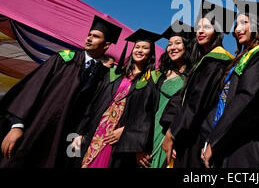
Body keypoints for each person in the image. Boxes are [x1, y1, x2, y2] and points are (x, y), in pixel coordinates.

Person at [0, 15, 122, 168]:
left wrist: (81, 139)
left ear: (106, 45)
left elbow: (94, 110)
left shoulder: (105, 75)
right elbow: (32, 89)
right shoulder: (63, 59)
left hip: (73, 136)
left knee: (68, 163)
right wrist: (17, 126)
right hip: (40, 127)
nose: (89, 38)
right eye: (89, 35)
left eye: (96, 36)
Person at [202, 0, 259, 168]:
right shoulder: (241, 61)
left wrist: (215, 140)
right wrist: (210, 138)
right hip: (233, 144)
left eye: (244, 23)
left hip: (255, 148)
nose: (237, 30)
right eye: (236, 25)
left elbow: (247, 98)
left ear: (258, 27)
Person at [161, 0, 235, 168]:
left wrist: (173, 132)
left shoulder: (217, 61)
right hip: (188, 132)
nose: (200, 31)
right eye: (199, 27)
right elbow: (183, 97)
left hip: (198, 135)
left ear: (217, 32)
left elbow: (196, 101)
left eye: (207, 27)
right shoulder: (203, 61)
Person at [75, 29, 160, 168]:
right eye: (137, 47)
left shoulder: (151, 81)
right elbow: (94, 102)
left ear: (150, 53)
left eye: (145, 48)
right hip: (96, 130)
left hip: (117, 138)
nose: (139, 50)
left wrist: (127, 130)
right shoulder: (114, 74)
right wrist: (80, 131)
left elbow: (147, 114)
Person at [137, 20, 194, 168]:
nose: (172, 48)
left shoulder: (193, 77)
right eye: (169, 44)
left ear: (188, 46)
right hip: (148, 132)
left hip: (171, 135)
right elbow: (143, 109)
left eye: (178, 43)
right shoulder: (159, 75)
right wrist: (138, 142)